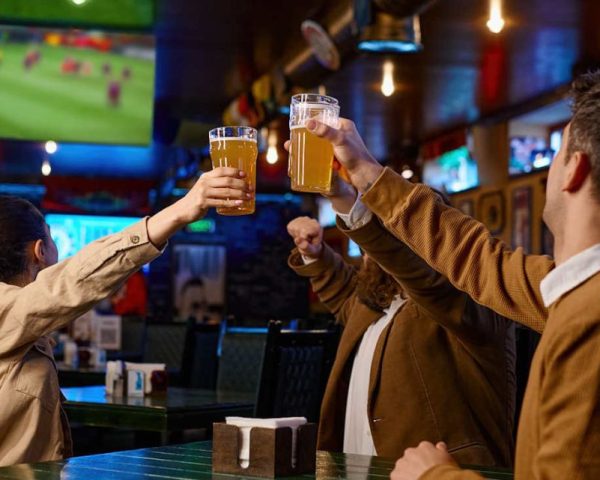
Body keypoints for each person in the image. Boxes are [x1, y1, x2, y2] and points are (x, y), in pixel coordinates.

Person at [299, 71, 600, 479]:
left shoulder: (589, 316)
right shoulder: (569, 292)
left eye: (557, 154)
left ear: (574, 171)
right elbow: (475, 258)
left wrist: (434, 476)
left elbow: (438, 270)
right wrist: (364, 180)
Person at [0, 166, 252, 466]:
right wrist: (180, 211)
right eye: (54, 239)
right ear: (40, 250)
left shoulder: (20, 321)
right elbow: (69, 284)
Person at [286, 177, 516, 466]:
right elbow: (347, 294)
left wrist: (349, 203)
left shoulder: (468, 299)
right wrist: (316, 254)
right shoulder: (379, 299)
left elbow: (427, 281)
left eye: (383, 231)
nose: (369, 245)